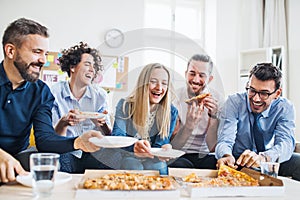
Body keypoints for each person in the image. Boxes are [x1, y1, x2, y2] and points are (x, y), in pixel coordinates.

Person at [0, 18, 102, 183]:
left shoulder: (41, 92)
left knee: (38, 161)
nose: (43, 60)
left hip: (17, 159)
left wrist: (78, 142)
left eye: (45, 54)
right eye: (36, 52)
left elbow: (45, 140)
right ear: (11, 51)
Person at [215, 63, 300, 181]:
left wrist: (264, 158)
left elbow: (286, 144)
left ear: (277, 93)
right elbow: (225, 140)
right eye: (252, 90)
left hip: (267, 160)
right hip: (237, 161)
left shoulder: (284, 108)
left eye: (264, 93)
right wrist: (226, 155)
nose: (256, 99)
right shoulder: (233, 103)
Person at [51, 42, 114, 173]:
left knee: (112, 156)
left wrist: (102, 124)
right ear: (73, 67)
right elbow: (52, 139)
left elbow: (108, 134)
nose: (92, 69)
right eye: (87, 64)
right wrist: (64, 122)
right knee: (58, 156)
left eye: (94, 66)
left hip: (92, 151)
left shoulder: (100, 95)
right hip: (67, 150)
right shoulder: (54, 93)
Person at [111, 63, 178, 175]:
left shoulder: (171, 112)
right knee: (133, 165)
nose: (159, 88)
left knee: (159, 166)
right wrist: (134, 148)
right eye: (153, 81)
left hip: (153, 158)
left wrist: (165, 148)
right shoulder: (125, 105)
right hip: (128, 155)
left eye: (164, 83)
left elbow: (161, 143)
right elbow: (118, 138)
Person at [169, 54, 224, 169]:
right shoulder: (174, 98)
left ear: (210, 79)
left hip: (206, 154)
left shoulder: (218, 100)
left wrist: (213, 117)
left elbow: (212, 147)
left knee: (218, 166)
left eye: (202, 75)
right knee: (179, 166)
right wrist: (189, 125)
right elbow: (174, 146)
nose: (195, 80)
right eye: (192, 73)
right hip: (180, 154)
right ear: (185, 74)